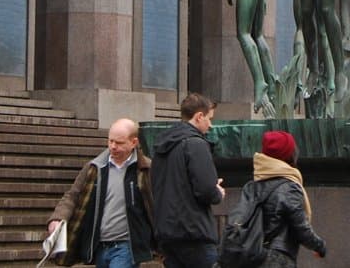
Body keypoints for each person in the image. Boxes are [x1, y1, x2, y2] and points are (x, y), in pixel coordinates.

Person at [46, 117, 155, 268]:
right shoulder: (95, 168)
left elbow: (158, 204)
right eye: (110, 141)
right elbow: (73, 195)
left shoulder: (146, 169)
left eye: (119, 143)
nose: (113, 146)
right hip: (100, 245)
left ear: (134, 143)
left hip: (127, 246)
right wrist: (58, 218)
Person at [151, 93, 225, 268]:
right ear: (199, 116)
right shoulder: (196, 144)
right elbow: (206, 190)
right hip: (194, 233)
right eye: (209, 118)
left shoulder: (162, 145)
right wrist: (218, 192)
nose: (211, 125)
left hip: (167, 234)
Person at [246, 130, 327, 264]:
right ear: (289, 155)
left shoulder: (252, 186)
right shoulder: (289, 187)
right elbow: (301, 227)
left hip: (252, 255)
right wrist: (320, 246)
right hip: (277, 258)